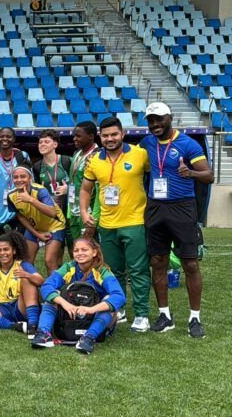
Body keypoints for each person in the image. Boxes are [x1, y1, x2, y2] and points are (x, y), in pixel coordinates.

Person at [139, 102, 213, 338]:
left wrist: (190, 173)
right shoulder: (147, 142)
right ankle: (165, 315)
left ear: (170, 118)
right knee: (158, 261)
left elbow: (209, 175)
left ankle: (194, 318)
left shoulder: (187, 144)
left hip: (182, 207)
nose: (155, 124)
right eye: (151, 120)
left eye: (159, 119)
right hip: (155, 207)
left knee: (190, 263)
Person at [81, 116, 151, 332]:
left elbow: (153, 178)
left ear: (123, 134)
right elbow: (85, 189)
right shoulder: (94, 161)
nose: (110, 139)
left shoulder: (140, 154)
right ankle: (117, 308)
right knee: (113, 271)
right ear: (100, 137)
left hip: (135, 221)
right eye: (105, 135)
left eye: (114, 134)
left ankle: (141, 314)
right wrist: (84, 212)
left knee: (138, 270)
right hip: (107, 225)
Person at [31, 238, 126, 354]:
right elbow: (47, 286)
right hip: (70, 316)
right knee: (53, 297)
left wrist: (91, 309)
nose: (80, 253)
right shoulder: (68, 267)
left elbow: (119, 296)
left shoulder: (102, 271)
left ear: (94, 252)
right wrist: (64, 303)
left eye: (84, 250)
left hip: (93, 317)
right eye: (76, 250)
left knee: (109, 303)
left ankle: (89, 338)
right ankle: (43, 334)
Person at [8, 165, 67, 275]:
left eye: (23, 177)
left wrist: (30, 200)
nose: (19, 180)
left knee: (49, 261)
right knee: (27, 262)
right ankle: (31, 289)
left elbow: (52, 212)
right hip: (35, 228)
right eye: (15, 177)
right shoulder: (11, 196)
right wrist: (37, 234)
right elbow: (20, 216)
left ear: (30, 178)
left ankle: (53, 290)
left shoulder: (40, 191)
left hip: (55, 225)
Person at [0, 127, 31, 230]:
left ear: (14, 139)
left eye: (8, 136)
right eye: (1, 136)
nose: (5, 139)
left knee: (19, 244)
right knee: (0, 244)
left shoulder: (23, 156)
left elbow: (31, 183)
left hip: (20, 210)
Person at [33, 129, 71, 250]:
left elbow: (81, 184)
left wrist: (68, 188)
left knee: (73, 248)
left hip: (68, 211)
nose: (42, 144)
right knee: (55, 254)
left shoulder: (67, 161)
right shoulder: (37, 167)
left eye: (46, 142)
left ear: (55, 144)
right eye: (40, 142)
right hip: (53, 215)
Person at [67, 121, 101, 241]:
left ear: (91, 136)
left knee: (90, 247)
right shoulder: (77, 153)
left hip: (89, 212)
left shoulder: (98, 155)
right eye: (74, 135)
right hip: (74, 209)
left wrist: (94, 217)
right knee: (77, 246)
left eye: (78, 136)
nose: (74, 139)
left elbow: (98, 190)